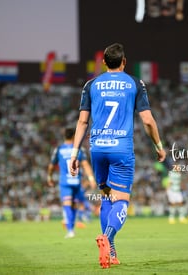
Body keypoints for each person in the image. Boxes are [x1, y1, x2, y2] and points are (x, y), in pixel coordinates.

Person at [69, 42, 166, 268]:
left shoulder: (90, 85)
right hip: (121, 149)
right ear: (124, 62)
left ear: (103, 63)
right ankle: (108, 237)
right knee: (121, 202)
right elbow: (147, 121)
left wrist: (74, 153)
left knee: (106, 197)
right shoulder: (135, 83)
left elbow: (83, 121)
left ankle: (111, 252)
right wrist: (159, 146)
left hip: (97, 149)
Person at [47, 127, 96, 238]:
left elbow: (51, 166)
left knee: (68, 204)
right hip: (76, 182)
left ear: (64, 136)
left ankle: (70, 230)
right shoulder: (79, 149)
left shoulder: (59, 149)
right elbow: (85, 165)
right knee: (74, 204)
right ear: (74, 136)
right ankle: (71, 228)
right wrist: (91, 179)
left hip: (65, 182)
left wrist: (49, 177)